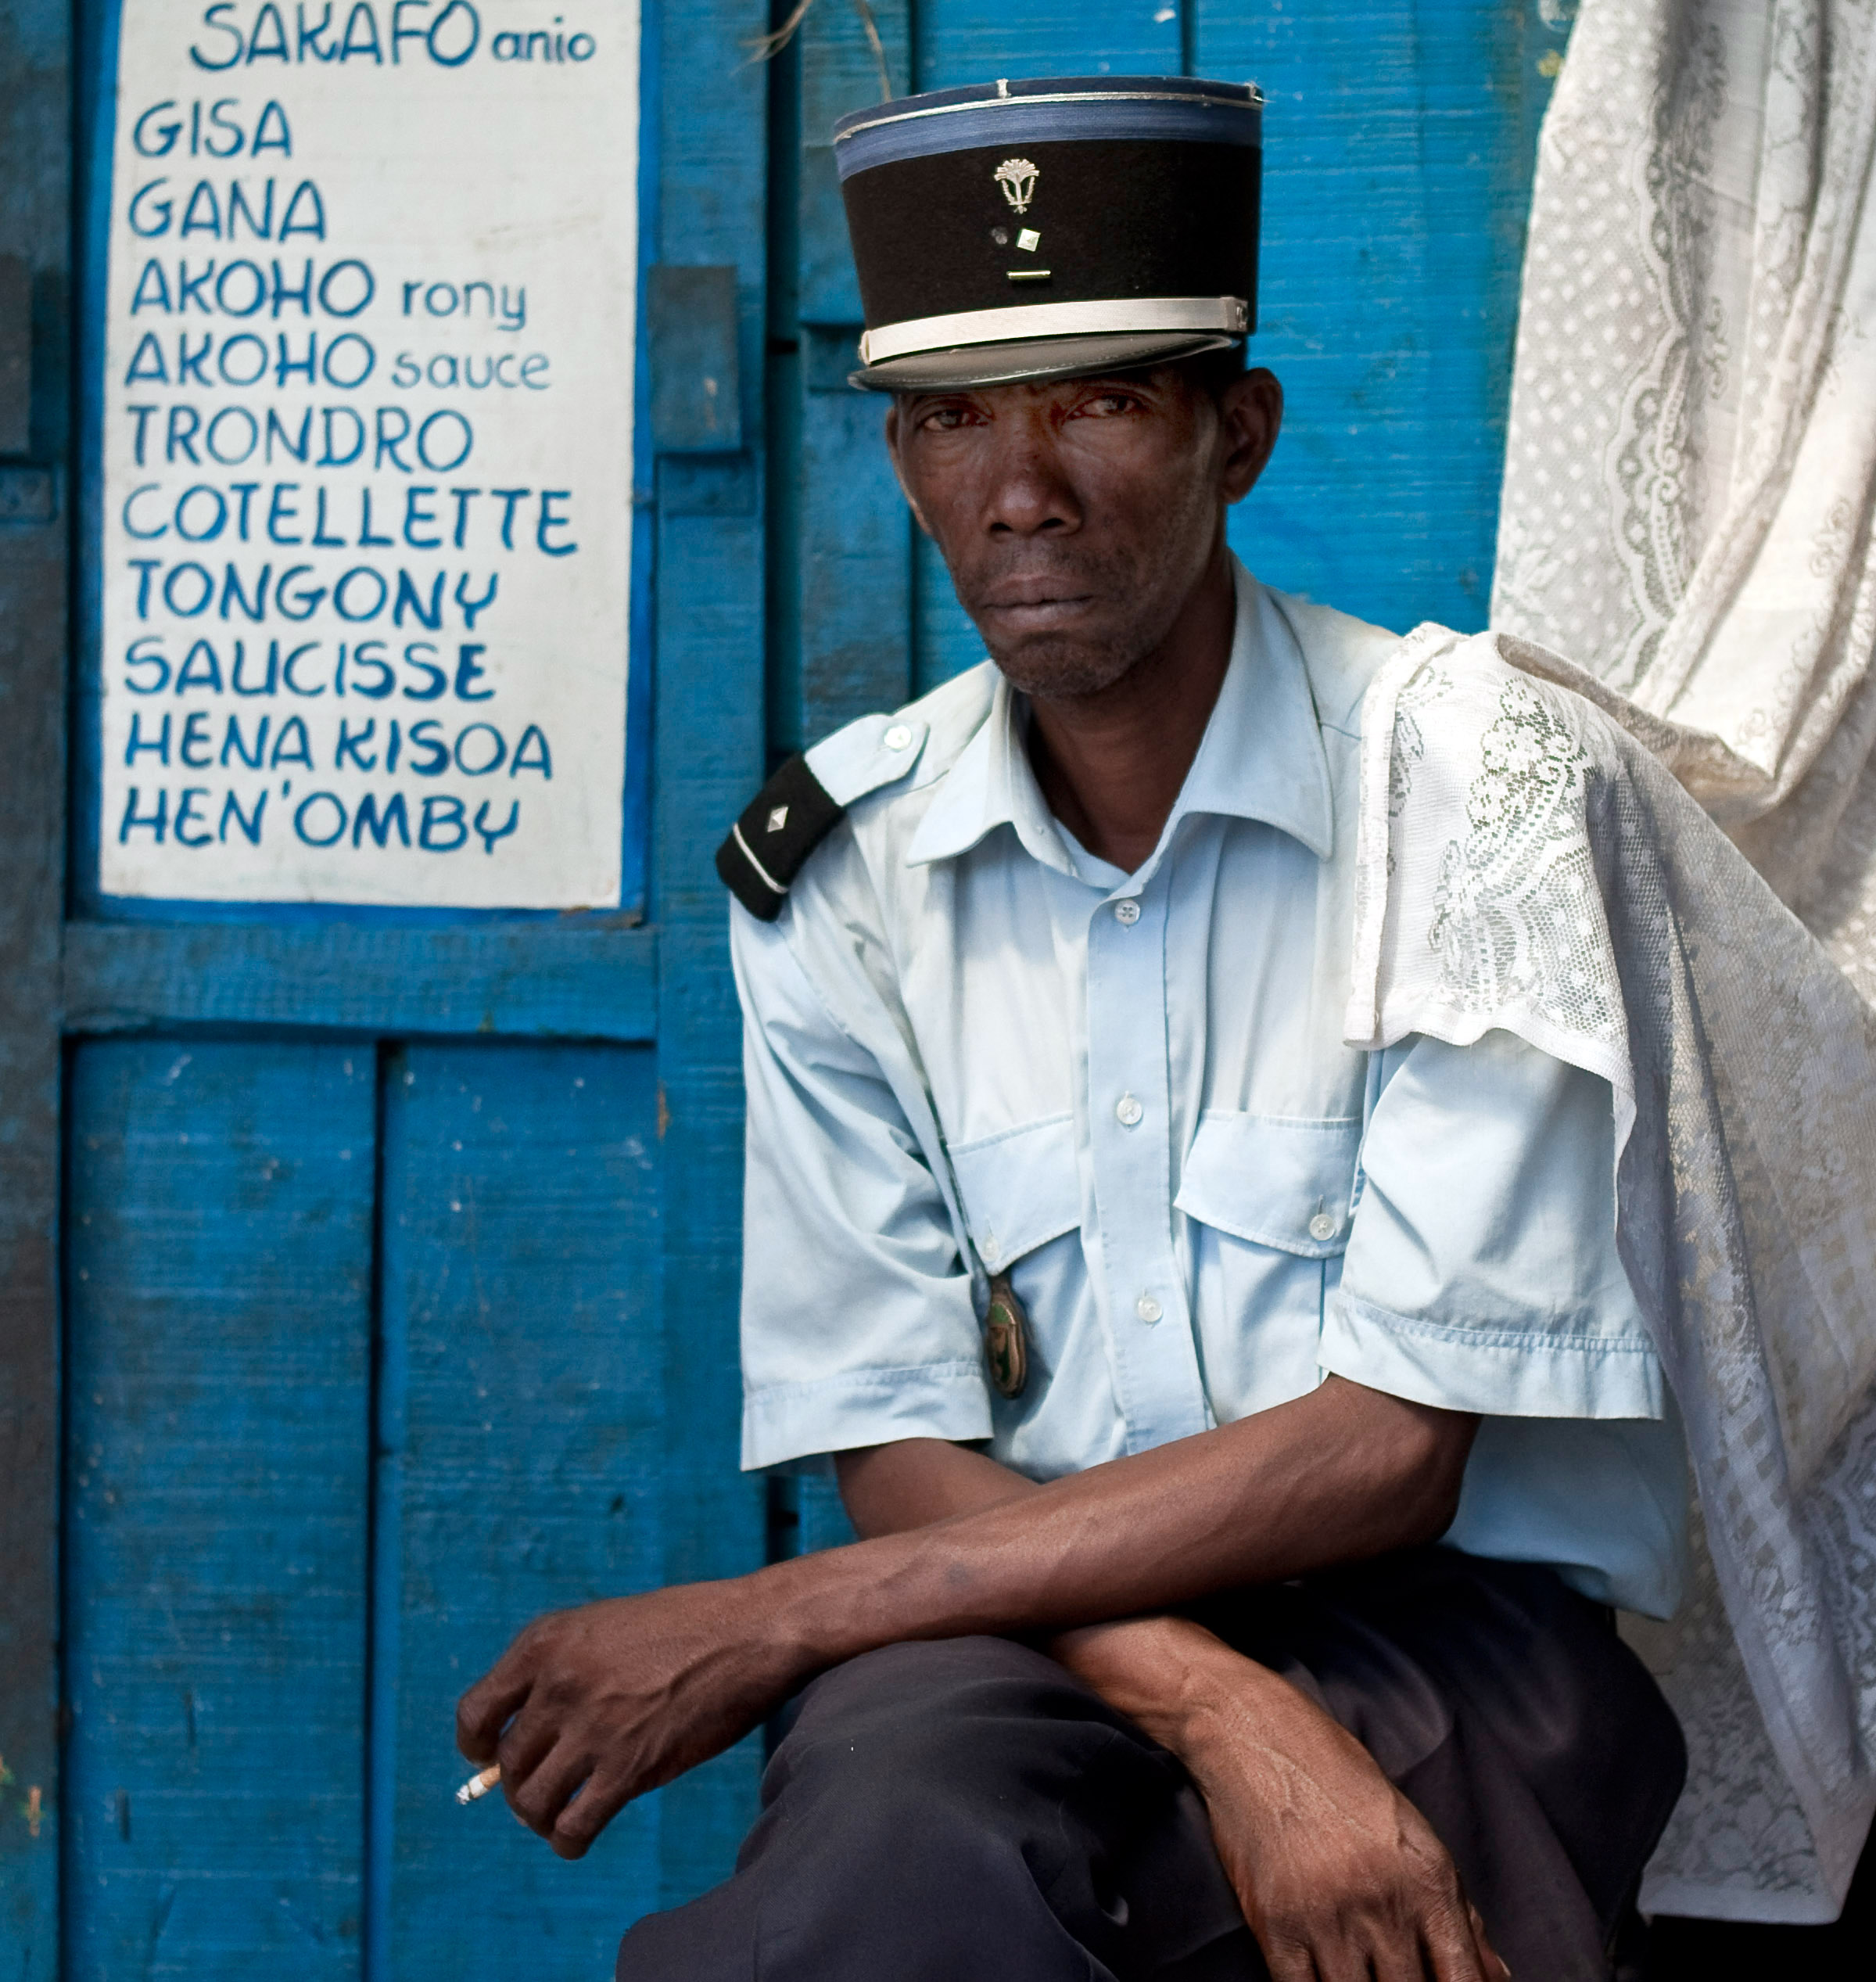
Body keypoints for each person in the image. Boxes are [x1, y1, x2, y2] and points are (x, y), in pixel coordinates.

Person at [457, 75, 1690, 1980]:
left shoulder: (1476, 786)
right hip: (1016, 1631)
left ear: (1240, 432)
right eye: (952, 417)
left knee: (1381, 1913)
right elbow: (896, 1429)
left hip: (1440, 1618)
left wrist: (778, 1615)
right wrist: (1220, 1710)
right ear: (900, 459)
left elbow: (1388, 1450)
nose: (1017, 488)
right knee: (884, 1867)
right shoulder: (840, 869)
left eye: (1101, 399)